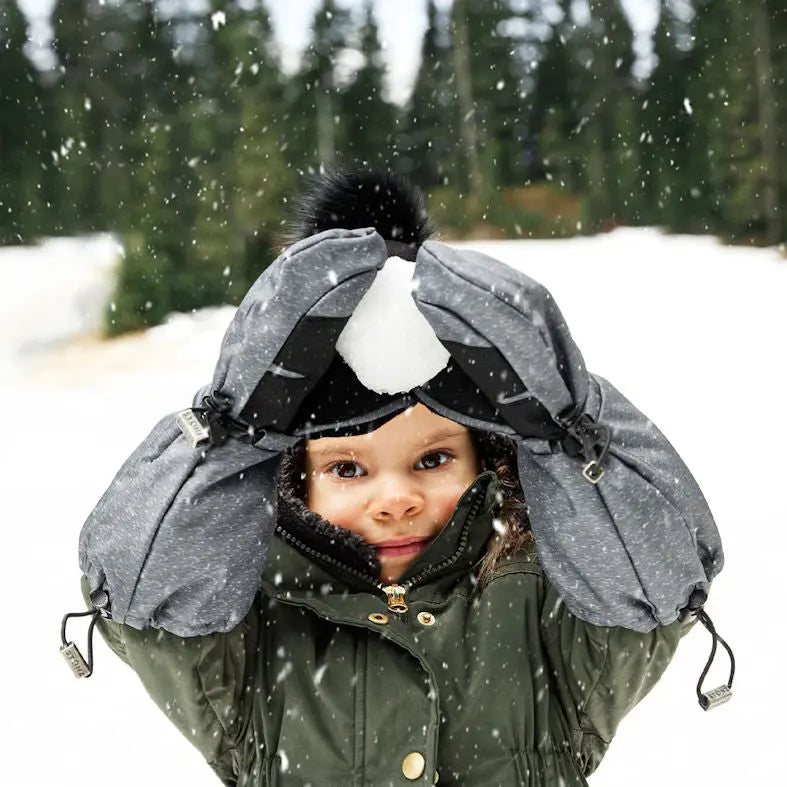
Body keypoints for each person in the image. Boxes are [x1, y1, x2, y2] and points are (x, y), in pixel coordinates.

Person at [73, 169, 720, 786]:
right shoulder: (248, 627)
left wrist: (566, 424)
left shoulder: (548, 605)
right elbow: (144, 594)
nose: (396, 499)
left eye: (432, 459)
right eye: (347, 467)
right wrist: (229, 427)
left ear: (487, 460)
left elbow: (657, 576)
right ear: (296, 481)